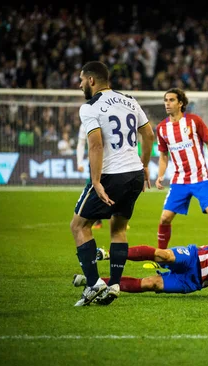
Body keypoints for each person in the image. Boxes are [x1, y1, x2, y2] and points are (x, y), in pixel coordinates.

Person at [70, 60, 155, 307]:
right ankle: (115, 285)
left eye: (81, 80)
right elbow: (149, 134)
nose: (80, 85)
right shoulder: (129, 100)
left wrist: (95, 180)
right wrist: (145, 164)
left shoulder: (90, 106)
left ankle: (94, 284)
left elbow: (96, 144)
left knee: (78, 226)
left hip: (111, 174)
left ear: (92, 80)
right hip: (135, 173)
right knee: (119, 228)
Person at [151, 87, 208, 250]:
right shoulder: (162, 128)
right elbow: (163, 155)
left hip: (200, 177)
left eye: (171, 100)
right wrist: (160, 175)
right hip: (179, 180)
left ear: (180, 103)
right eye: (166, 100)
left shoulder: (193, 121)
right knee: (165, 218)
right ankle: (161, 254)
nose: (167, 103)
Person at [76, 123, 103, 229]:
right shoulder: (85, 123)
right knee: (95, 189)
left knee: (113, 187)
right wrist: (79, 162)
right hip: (94, 161)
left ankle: (117, 217)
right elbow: (81, 143)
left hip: (109, 160)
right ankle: (97, 220)